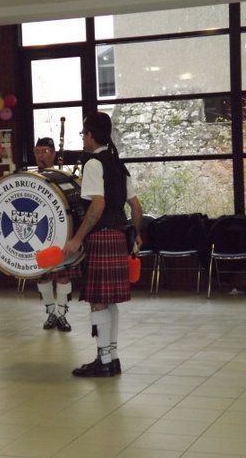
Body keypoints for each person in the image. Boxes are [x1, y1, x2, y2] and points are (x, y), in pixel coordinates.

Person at [63, 112, 143, 377]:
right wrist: (138, 234)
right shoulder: (118, 164)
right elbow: (135, 206)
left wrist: (76, 238)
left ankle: (104, 361)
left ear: (90, 134)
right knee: (109, 302)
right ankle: (113, 356)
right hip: (119, 236)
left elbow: (97, 205)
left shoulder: (94, 164)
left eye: (83, 134)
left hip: (101, 237)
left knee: (98, 301)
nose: (82, 139)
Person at [34, 137, 76, 332]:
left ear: (53, 153)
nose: (41, 155)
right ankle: (51, 313)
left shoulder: (62, 177)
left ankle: (61, 315)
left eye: (45, 151)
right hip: (39, 236)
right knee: (43, 277)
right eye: (38, 151)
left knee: (62, 277)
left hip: (60, 236)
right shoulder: (30, 178)